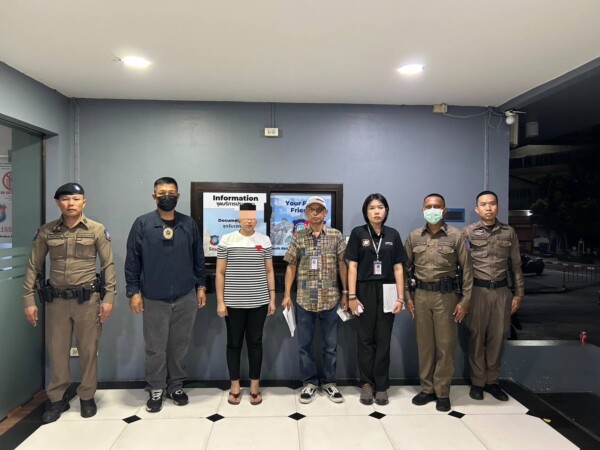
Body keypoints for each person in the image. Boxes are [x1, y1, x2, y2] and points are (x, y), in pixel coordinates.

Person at [22, 182, 116, 423]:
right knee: (57, 351)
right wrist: (28, 299)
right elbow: (33, 265)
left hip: (88, 301)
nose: (70, 203)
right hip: (56, 302)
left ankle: (87, 396)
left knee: (88, 350)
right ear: (58, 203)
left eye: (75, 199)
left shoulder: (96, 229)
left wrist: (108, 297)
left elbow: (107, 265)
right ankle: (57, 398)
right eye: (65, 199)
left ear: (84, 202)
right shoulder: (47, 231)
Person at [125, 177, 206, 413]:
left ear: (178, 196)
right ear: (154, 197)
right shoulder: (142, 224)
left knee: (180, 345)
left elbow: (198, 257)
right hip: (153, 296)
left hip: (185, 295)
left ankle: (176, 386)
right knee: (155, 347)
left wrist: (201, 286)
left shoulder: (188, 224)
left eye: (171, 192)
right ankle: (156, 387)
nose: (167, 196)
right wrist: (133, 291)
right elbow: (133, 260)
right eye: (162, 193)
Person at [404, 193, 473, 412]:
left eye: (436, 206)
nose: (432, 209)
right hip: (420, 296)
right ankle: (427, 389)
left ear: (444, 210)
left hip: (447, 297)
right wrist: (407, 296)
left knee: (445, 345)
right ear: (423, 210)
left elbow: (468, 271)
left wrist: (465, 301)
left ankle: (442, 392)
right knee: (425, 346)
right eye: (428, 206)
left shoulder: (457, 236)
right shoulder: (414, 237)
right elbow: (404, 269)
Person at [282, 196, 348, 404]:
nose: (315, 213)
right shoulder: (299, 236)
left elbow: (343, 265)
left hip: (331, 299)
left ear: (325, 213)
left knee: (330, 346)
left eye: (319, 210)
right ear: (306, 213)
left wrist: (346, 293)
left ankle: (329, 383)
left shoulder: (336, 235)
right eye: (311, 209)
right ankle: (309, 383)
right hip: (304, 300)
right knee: (305, 346)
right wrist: (286, 294)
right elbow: (291, 265)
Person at [345, 193, 406, 406]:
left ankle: (381, 385)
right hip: (363, 290)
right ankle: (366, 384)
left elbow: (398, 268)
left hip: (388, 289)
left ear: (386, 211)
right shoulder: (358, 233)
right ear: (366, 212)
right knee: (365, 340)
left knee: (383, 339)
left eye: (380, 207)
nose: (376, 211)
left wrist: (400, 297)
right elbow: (352, 266)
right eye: (372, 208)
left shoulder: (393, 234)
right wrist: (352, 296)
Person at [463, 190, 524, 401]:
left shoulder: (509, 232)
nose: (488, 208)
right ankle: (477, 382)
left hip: (501, 292)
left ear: (498, 206)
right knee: (476, 338)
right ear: (477, 209)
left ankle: (492, 382)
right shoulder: (468, 233)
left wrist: (518, 294)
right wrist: (464, 297)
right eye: (483, 204)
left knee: (497, 338)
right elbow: (464, 267)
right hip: (477, 292)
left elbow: (516, 266)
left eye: (492, 204)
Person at [216, 203, 276, 405]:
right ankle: (235, 386)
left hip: (259, 302)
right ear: (238, 219)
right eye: (245, 217)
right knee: (233, 344)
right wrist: (220, 302)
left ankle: (254, 386)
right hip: (233, 303)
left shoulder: (264, 240)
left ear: (256, 219)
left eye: (252, 217)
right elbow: (220, 273)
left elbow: (269, 271)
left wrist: (272, 298)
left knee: (255, 343)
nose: (249, 220)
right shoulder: (227, 239)